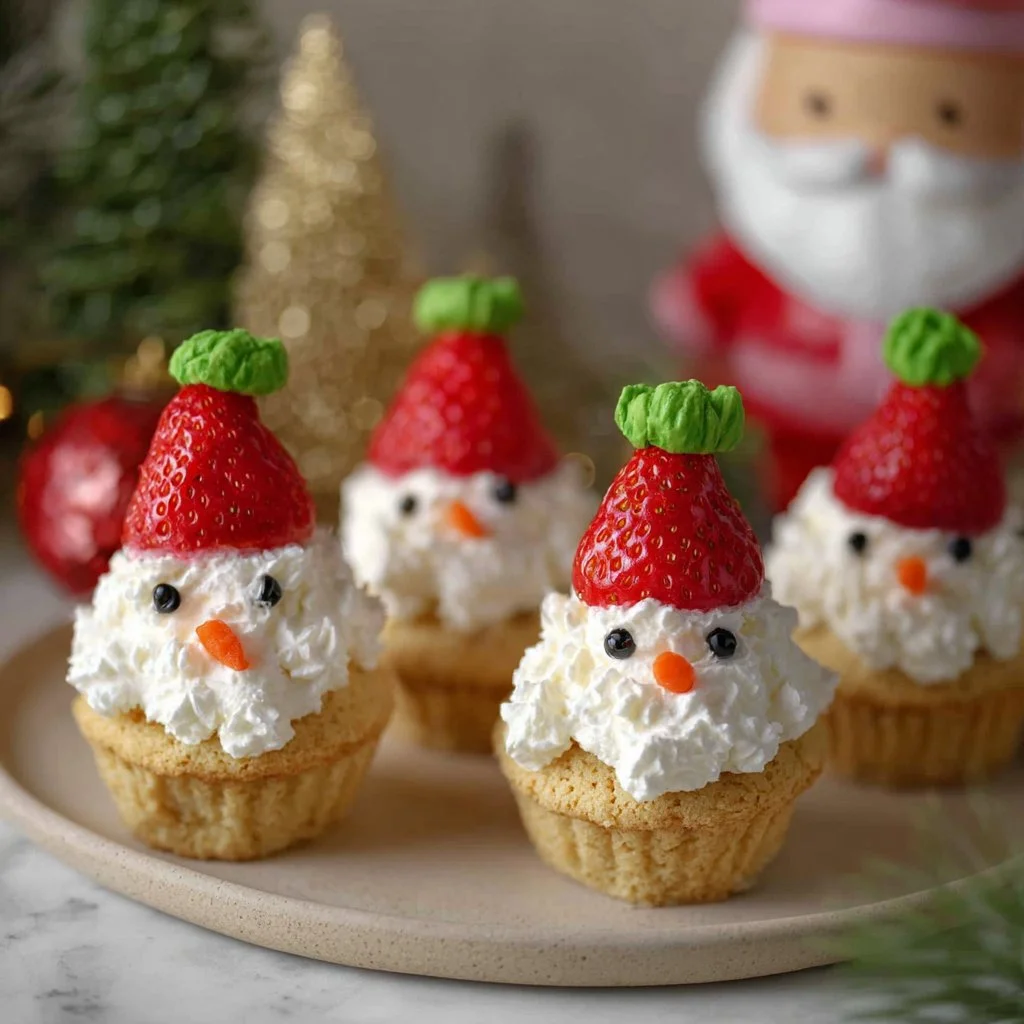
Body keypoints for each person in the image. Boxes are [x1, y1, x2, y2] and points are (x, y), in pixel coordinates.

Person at [652, 0, 1024, 509]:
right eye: (820, 106)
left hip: (965, 478)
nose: (880, 151)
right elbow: (697, 308)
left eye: (949, 116)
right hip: (778, 449)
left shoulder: (1003, 276)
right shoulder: (764, 251)